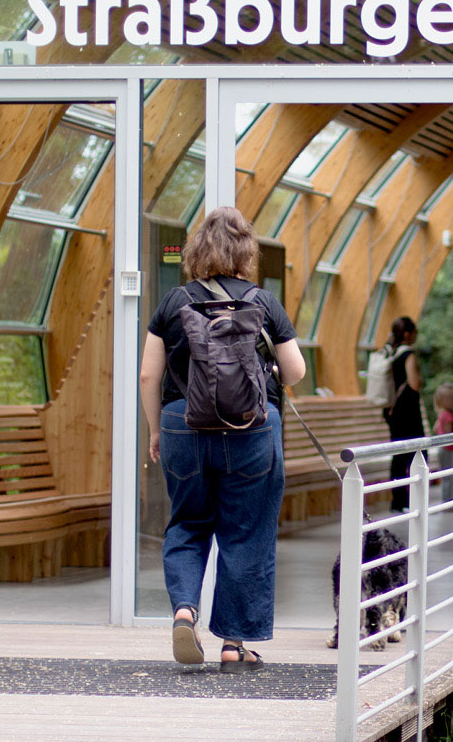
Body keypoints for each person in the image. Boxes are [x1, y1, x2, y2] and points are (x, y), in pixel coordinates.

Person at [139, 206, 307, 672]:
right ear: (246, 252)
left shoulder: (173, 303)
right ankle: (234, 643)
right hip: (251, 429)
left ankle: (184, 610)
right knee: (246, 531)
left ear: (196, 250)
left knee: (187, 523)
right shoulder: (263, 301)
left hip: (182, 425)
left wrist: (155, 429)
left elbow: (148, 375)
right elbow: (295, 371)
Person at [382, 316, 425, 512]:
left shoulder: (390, 352)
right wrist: (420, 380)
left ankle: (397, 501)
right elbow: (414, 383)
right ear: (407, 334)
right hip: (408, 411)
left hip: (392, 410)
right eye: (414, 332)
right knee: (418, 452)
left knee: (398, 456)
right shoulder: (408, 354)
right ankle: (412, 500)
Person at [433, 383, 453, 502]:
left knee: (448, 475)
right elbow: (448, 433)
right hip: (450, 450)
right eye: (448, 399)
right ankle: (449, 500)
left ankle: (449, 499)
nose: (452, 401)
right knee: (451, 475)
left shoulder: (442, 414)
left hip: (446, 450)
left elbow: (435, 429)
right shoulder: (448, 416)